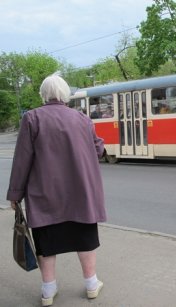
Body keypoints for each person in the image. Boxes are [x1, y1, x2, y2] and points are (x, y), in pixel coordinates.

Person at [7, 74, 106, 306]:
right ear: (65, 94)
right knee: (85, 239)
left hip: (45, 196)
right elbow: (97, 149)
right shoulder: (82, 119)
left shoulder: (32, 118)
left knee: (47, 243)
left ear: (43, 94)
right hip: (80, 194)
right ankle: (91, 284)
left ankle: (48, 291)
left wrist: (15, 194)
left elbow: (22, 160)